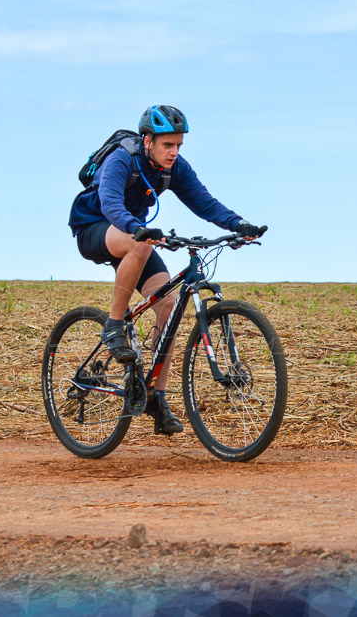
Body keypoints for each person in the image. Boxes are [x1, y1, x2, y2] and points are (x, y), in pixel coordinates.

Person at [68, 105, 264, 435]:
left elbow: (204, 202)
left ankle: (156, 396)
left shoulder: (174, 169)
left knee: (168, 306)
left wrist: (239, 224)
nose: (174, 152)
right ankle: (114, 326)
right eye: (167, 145)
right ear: (148, 141)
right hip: (94, 228)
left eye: (178, 146)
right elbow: (110, 202)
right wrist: (136, 228)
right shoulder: (122, 159)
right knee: (141, 244)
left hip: (134, 236)